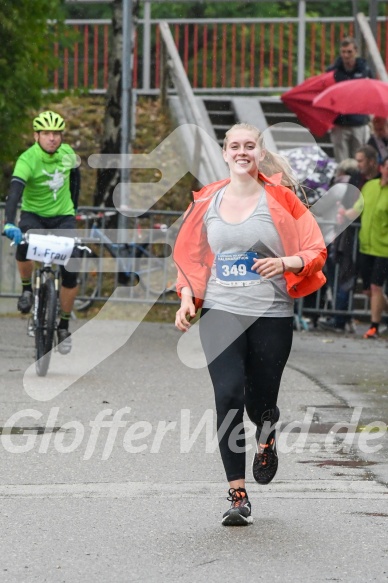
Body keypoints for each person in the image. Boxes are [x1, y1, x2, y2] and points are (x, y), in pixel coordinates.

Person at [174, 123, 327, 526]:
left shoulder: (282, 200)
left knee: (259, 403)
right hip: (221, 312)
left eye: (250, 146)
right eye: (234, 146)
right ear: (225, 154)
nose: (242, 152)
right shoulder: (207, 199)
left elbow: (315, 248)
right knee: (227, 395)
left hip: (271, 315)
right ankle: (237, 494)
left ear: (259, 153)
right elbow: (191, 256)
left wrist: (286, 262)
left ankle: (267, 432)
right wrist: (187, 296)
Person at [3, 110, 80, 355]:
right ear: (36, 135)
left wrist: (74, 209)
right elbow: (15, 191)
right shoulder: (28, 159)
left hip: (63, 217)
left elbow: (75, 179)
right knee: (23, 244)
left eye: (57, 133)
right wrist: (9, 222)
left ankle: (64, 326)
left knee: (73, 262)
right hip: (33, 215)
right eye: (46, 133)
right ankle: (27, 289)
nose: (52, 138)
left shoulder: (68, 154)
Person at [340, 156, 388, 339]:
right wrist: (345, 214)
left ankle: (373, 327)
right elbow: (358, 208)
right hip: (365, 246)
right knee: (368, 290)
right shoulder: (369, 187)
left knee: (376, 287)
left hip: (384, 249)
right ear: (381, 168)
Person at [327, 37, 373, 163]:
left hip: (359, 121)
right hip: (339, 122)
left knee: (360, 161)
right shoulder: (333, 71)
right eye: (343, 52)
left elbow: (371, 90)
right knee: (342, 163)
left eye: (349, 51)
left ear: (355, 52)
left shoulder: (364, 70)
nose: (346, 55)